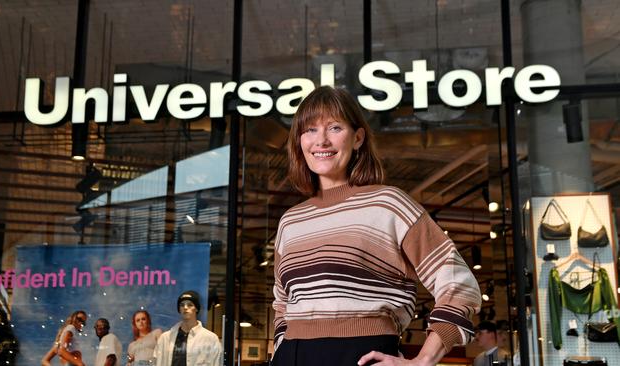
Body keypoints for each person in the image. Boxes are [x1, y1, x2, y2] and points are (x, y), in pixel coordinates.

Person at [271, 86, 482, 366]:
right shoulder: (291, 221)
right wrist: (282, 346)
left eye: (334, 128)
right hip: (292, 356)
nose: (321, 141)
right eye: (309, 130)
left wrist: (423, 360)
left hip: (363, 355)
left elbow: (459, 286)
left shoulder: (389, 205)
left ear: (357, 138)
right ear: (299, 141)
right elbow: (281, 304)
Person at [153, 291, 222, 366]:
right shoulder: (165, 338)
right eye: (182, 305)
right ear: (179, 309)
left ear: (196, 309)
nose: (185, 308)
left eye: (190, 305)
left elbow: (217, 363)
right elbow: (156, 362)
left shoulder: (210, 339)